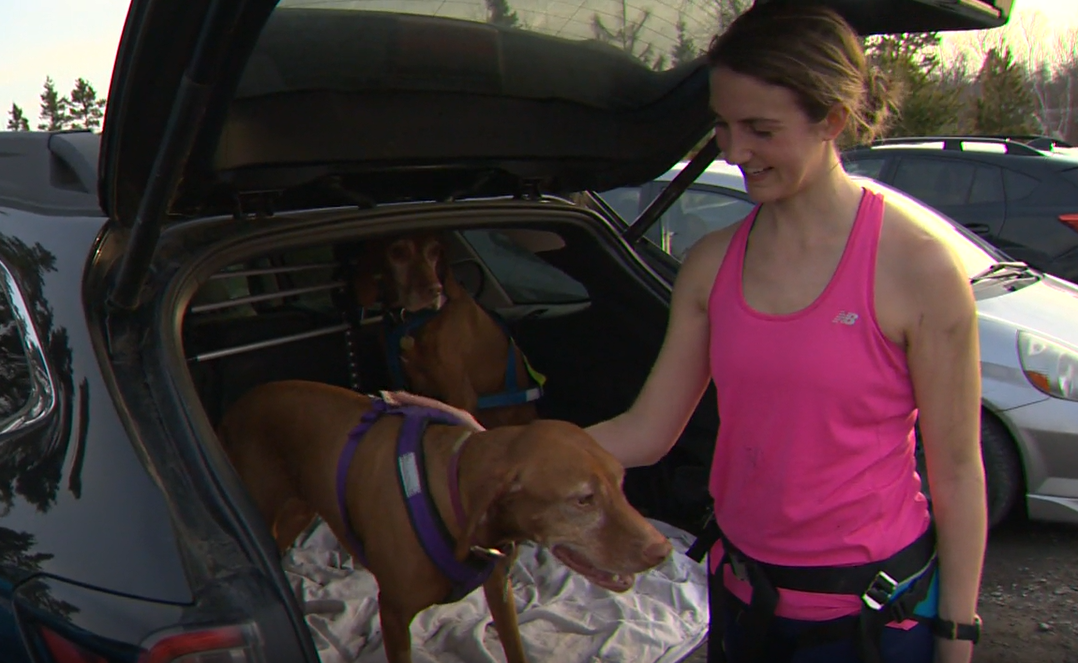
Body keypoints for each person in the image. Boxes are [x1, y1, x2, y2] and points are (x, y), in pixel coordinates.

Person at [386, 4, 986, 662]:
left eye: (760, 129)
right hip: (741, 591)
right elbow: (649, 429)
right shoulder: (713, 262)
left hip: (869, 612)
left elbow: (957, 469)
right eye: (722, 125)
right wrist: (498, 457)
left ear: (831, 121)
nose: (734, 151)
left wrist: (957, 632)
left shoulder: (918, 268)